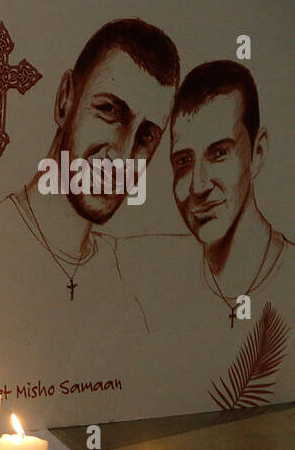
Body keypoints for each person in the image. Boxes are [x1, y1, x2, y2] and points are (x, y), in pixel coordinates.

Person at [0, 18, 179, 319]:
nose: (122, 157)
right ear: (64, 100)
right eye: (109, 111)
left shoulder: (126, 285)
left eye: (146, 135)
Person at [123, 60, 292, 329]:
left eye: (220, 153)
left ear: (257, 153)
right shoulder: (153, 273)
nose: (197, 187)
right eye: (184, 161)